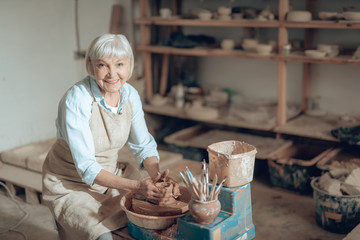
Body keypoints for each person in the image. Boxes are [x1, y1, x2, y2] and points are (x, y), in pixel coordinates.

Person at [42, 33, 164, 240]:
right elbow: (87, 168)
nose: (112, 74)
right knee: (102, 236)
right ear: (91, 66)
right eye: (103, 65)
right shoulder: (77, 98)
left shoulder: (130, 95)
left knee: (145, 220)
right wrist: (137, 187)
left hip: (111, 174)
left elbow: (143, 146)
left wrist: (158, 179)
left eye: (119, 64)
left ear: (129, 65)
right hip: (70, 183)